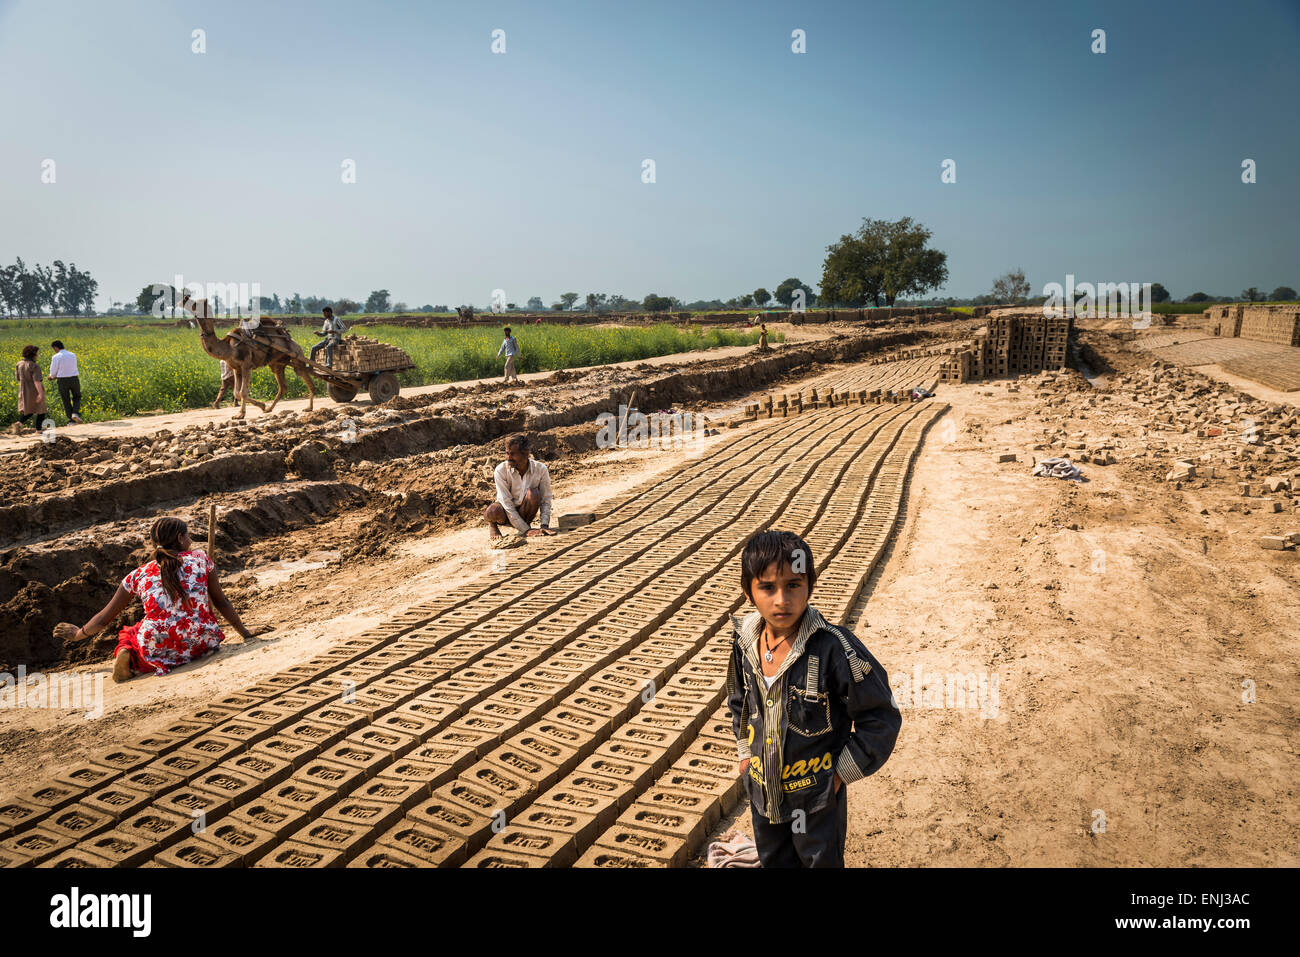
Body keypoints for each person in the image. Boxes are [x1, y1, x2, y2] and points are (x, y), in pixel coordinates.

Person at [726, 530, 901, 867]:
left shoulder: (834, 648)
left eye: (794, 585)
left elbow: (881, 717)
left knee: (819, 861)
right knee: (774, 858)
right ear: (748, 592)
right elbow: (739, 701)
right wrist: (746, 752)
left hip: (817, 798)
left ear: (810, 586)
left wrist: (840, 774)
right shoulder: (744, 643)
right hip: (763, 790)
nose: (782, 600)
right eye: (767, 587)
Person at [54, 517, 265, 682]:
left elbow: (103, 619)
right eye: (188, 536)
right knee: (154, 629)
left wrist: (78, 634)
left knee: (130, 634)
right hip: (204, 640)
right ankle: (136, 656)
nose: (191, 541)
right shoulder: (201, 559)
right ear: (181, 539)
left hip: (161, 645)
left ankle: (129, 656)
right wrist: (245, 634)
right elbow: (221, 602)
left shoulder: (137, 575)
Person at [483, 434, 553, 542]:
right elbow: (506, 503)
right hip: (505, 513)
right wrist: (526, 530)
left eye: (512, 454)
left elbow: (546, 499)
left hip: (525, 510)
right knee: (493, 510)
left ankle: (525, 524)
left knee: (534, 494)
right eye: (507, 453)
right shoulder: (500, 470)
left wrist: (544, 524)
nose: (508, 458)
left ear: (525, 454)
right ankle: (492, 525)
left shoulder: (540, 469)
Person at [48, 340, 83, 423]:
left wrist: (51, 377)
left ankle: (71, 420)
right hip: (74, 379)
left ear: (56, 347)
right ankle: (75, 413)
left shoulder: (56, 357)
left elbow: (53, 371)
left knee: (66, 399)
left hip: (62, 381)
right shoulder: (72, 355)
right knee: (77, 396)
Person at [15, 344, 48, 428]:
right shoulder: (34, 366)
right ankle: (38, 430)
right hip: (34, 390)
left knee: (29, 409)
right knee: (41, 410)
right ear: (33, 354)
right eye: (37, 353)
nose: (38, 355)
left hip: (24, 390)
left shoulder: (19, 364)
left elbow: (18, 378)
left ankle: (19, 423)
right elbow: (37, 381)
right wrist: (40, 394)